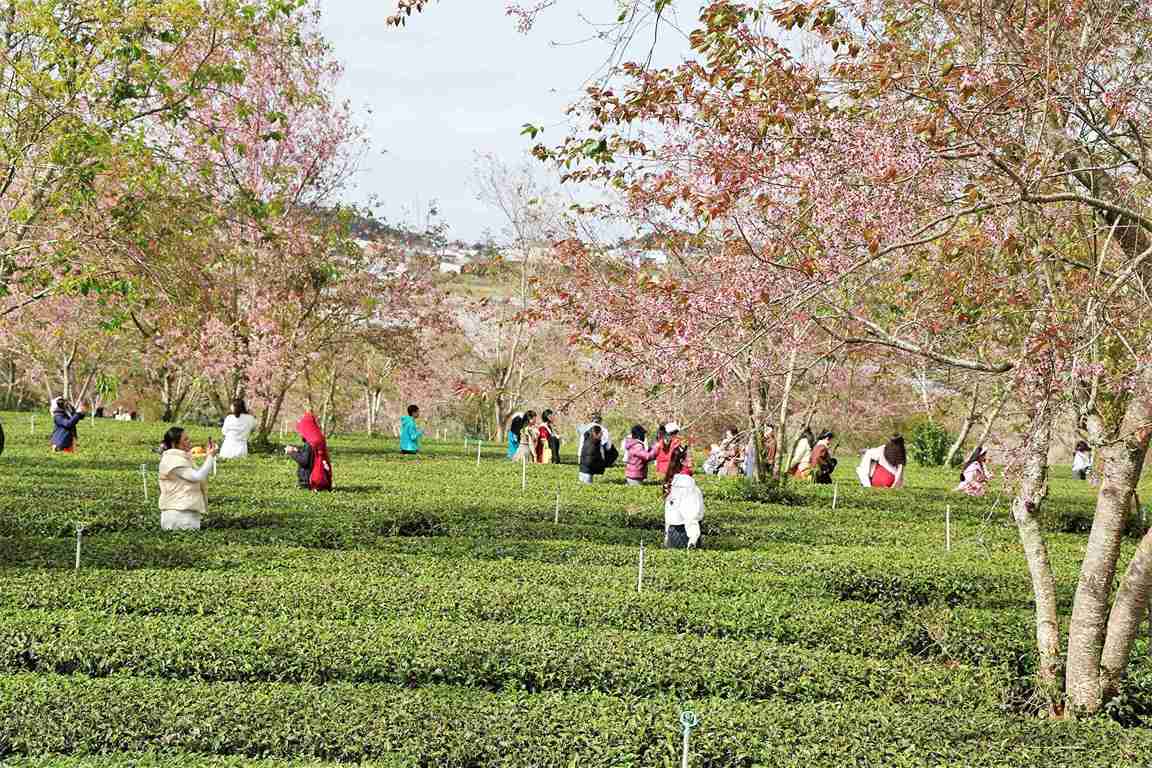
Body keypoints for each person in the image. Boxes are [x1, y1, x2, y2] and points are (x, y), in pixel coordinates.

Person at [158, 426, 218, 531]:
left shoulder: (180, 458)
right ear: (174, 443)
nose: (189, 441)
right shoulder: (172, 460)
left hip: (185, 513)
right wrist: (210, 457)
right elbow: (197, 476)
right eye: (185, 439)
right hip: (179, 515)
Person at [663, 444, 704, 549]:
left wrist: (667, 535)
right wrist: (693, 538)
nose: (692, 458)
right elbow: (690, 513)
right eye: (689, 456)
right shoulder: (686, 482)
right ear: (682, 461)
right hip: (685, 533)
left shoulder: (673, 479)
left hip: (673, 531)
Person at [285, 412, 333, 491]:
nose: (301, 434)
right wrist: (298, 450)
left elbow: (305, 461)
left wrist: (291, 453)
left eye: (302, 431)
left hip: (309, 481)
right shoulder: (318, 438)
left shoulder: (310, 443)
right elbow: (312, 456)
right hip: (320, 477)